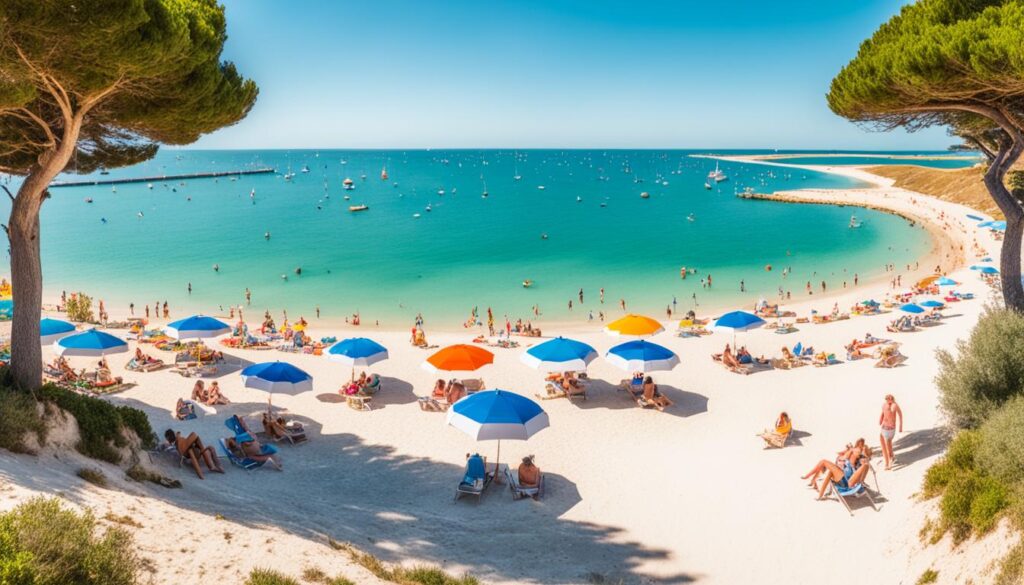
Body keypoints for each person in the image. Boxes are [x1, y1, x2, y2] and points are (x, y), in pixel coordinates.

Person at [802, 443, 873, 500]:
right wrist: (848, 449)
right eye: (857, 449)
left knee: (824, 462)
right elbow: (840, 456)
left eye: (859, 451)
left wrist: (864, 465)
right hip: (841, 479)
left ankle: (810, 480)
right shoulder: (849, 458)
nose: (857, 450)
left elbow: (853, 482)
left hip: (844, 483)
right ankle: (816, 488)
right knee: (827, 469)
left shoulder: (860, 465)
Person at [879, 394, 903, 470]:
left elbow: (900, 415)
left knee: (887, 445)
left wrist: (900, 426)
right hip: (884, 427)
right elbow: (882, 413)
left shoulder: (894, 405)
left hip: (890, 428)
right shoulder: (884, 405)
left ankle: (889, 461)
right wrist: (880, 419)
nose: (888, 401)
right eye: (887, 399)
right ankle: (888, 459)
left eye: (889, 399)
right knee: (883, 444)